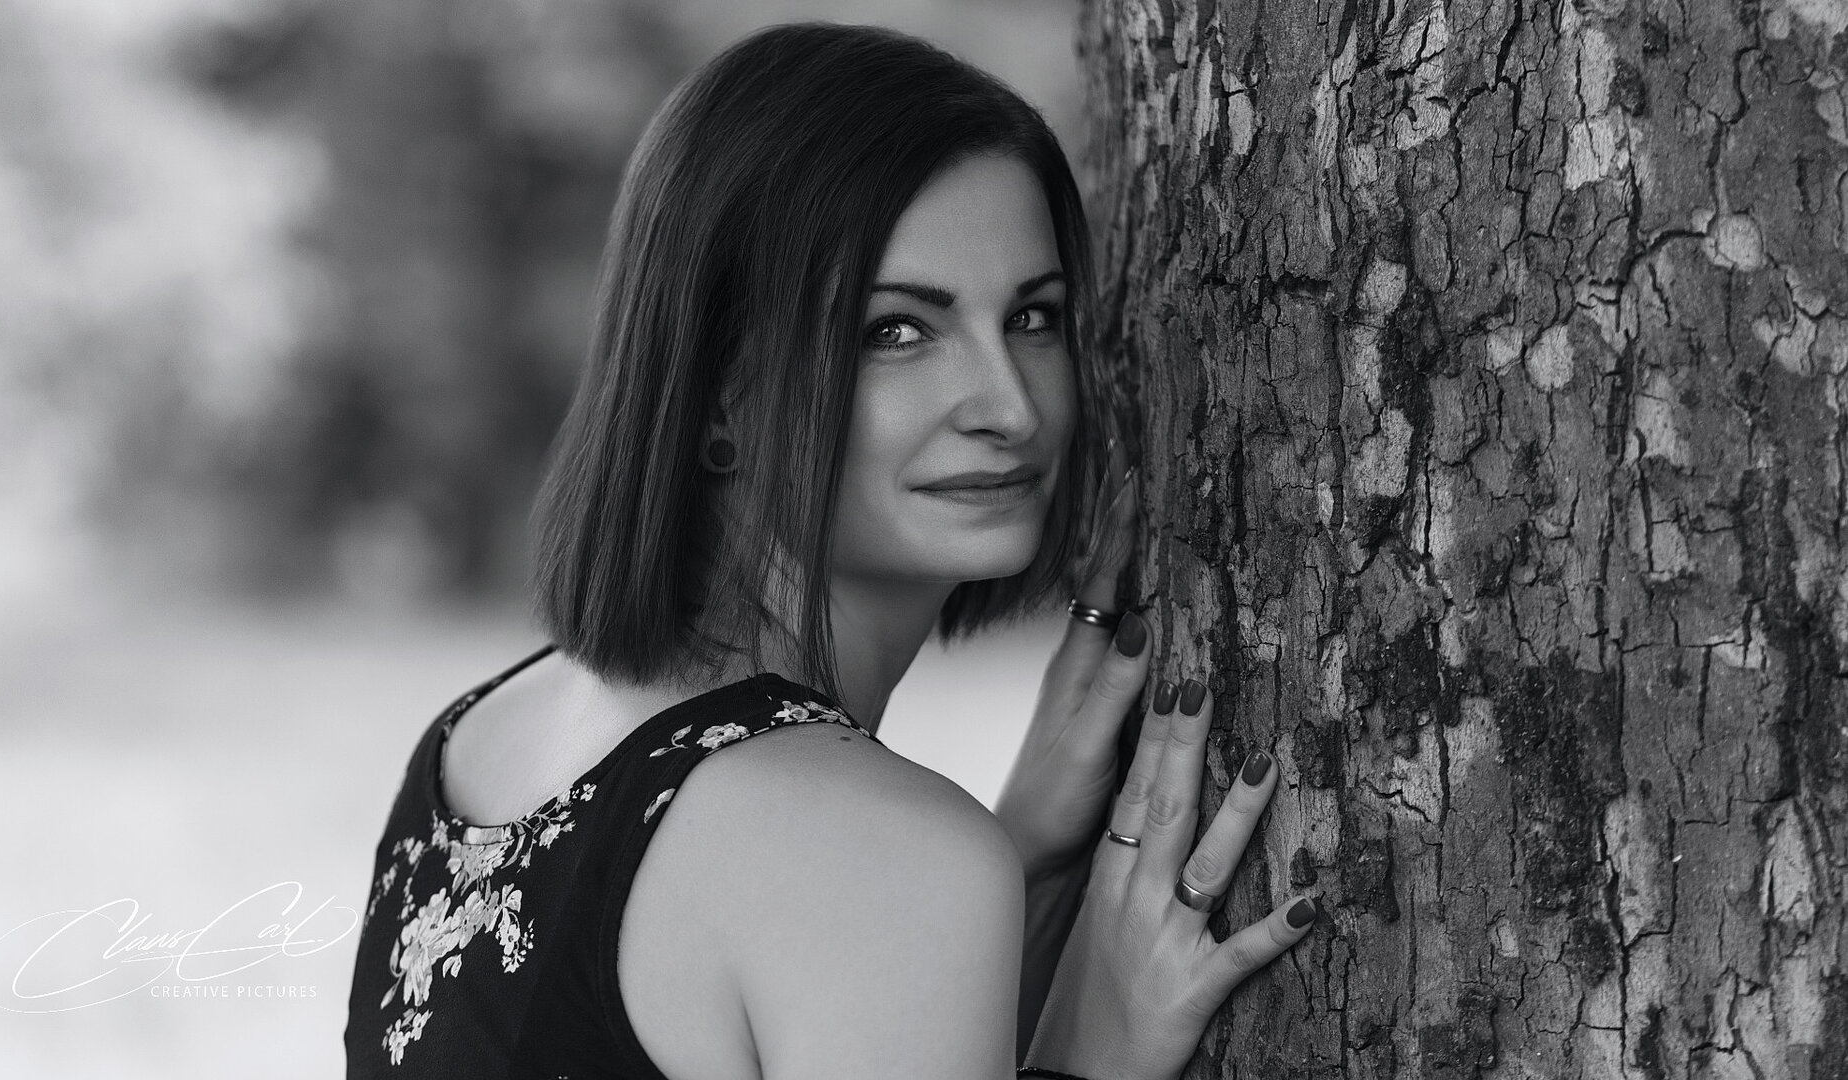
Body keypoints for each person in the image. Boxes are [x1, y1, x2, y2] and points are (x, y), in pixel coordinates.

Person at [343, 21, 1316, 1080]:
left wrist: (1025, 868)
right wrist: (1094, 1053)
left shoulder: (482, 737)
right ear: (718, 392)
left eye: (1032, 317)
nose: (1010, 407)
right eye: (894, 331)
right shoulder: (873, 855)